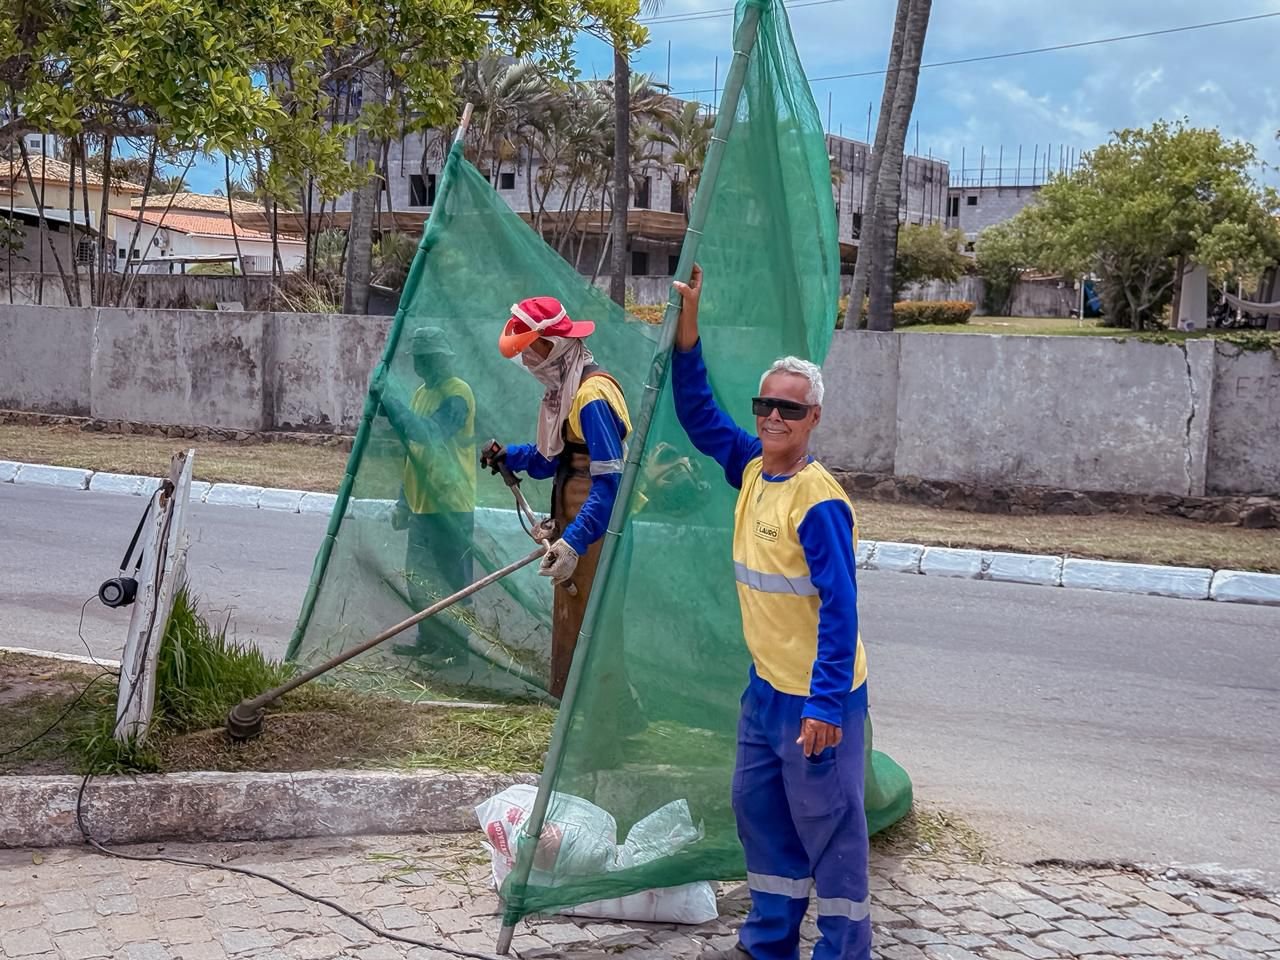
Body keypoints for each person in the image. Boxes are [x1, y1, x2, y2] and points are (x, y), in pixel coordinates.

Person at [670, 265, 871, 960]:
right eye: (766, 406)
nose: (773, 418)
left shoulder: (817, 501)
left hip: (818, 703)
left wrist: (823, 706)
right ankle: (767, 946)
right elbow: (697, 413)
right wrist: (689, 321)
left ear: (814, 418)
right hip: (765, 695)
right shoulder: (754, 466)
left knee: (832, 834)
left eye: (790, 409)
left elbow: (841, 612)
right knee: (762, 820)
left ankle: (843, 952)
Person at [482, 296, 632, 702]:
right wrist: (508, 455)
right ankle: (573, 710)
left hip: (596, 527)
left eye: (530, 353)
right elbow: (553, 460)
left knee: (589, 623)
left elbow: (608, 482)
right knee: (572, 620)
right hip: (575, 514)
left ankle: (596, 717)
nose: (528, 363)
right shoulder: (565, 390)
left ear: (553, 345)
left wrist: (574, 541)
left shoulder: (593, 397)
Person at [372, 326, 477, 660]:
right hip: (421, 505)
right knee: (420, 581)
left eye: (430, 358)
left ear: (443, 359)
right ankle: (430, 641)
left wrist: (393, 405)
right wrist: (403, 501)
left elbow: (430, 434)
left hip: (450, 506)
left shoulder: (457, 394)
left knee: (451, 582)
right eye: (420, 359)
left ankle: (455, 649)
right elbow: (414, 455)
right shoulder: (420, 393)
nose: (424, 365)